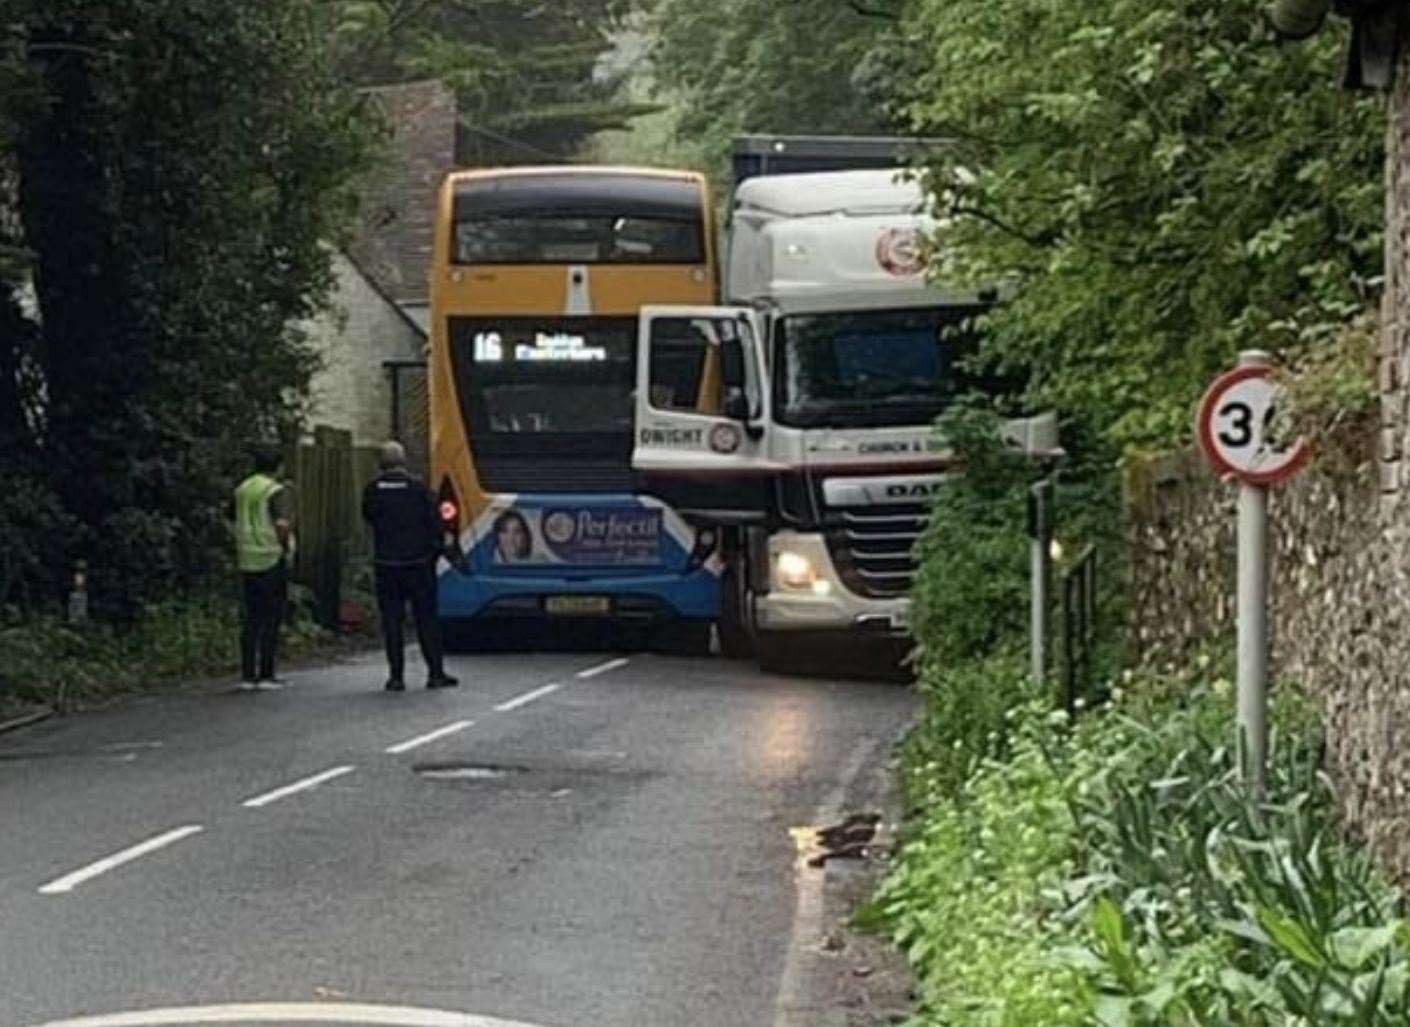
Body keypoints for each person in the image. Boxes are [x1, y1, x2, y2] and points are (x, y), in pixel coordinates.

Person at [361, 440, 458, 692]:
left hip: (387, 564)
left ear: (381, 464)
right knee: (426, 619)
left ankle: (396, 677)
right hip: (418, 564)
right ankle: (435, 673)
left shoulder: (373, 490)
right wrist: (435, 551)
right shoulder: (419, 489)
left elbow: (369, 517)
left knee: (392, 621)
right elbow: (435, 524)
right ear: (403, 462)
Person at [232, 446, 294, 691]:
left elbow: (230, 516)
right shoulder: (275, 491)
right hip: (269, 556)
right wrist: (285, 546)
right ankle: (267, 673)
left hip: (246, 557)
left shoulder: (242, 489)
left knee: (251, 617)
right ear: (277, 467)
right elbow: (281, 524)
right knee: (271, 616)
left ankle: (248, 674)